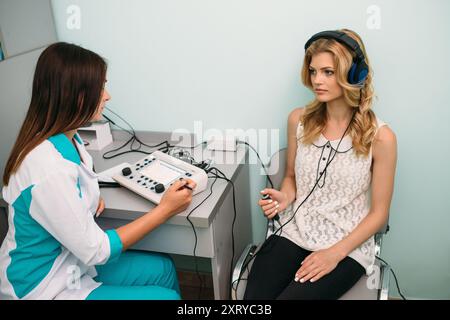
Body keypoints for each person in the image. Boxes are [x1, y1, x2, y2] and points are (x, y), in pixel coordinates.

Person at [0, 42, 196, 300]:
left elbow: (70, 192)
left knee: (163, 269)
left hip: (70, 263)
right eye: (101, 87)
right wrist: (165, 210)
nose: (107, 96)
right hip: (42, 287)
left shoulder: (69, 138)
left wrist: (84, 197)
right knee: (165, 298)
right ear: (76, 95)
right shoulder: (47, 169)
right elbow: (98, 251)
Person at [244, 29, 397, 300]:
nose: (317, 80)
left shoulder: (381, 137)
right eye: (313, 71)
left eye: (328, 72)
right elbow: (290, 176)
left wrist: (334, 254)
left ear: (354, 74)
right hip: (294, 230)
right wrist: (284, 197)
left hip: (346, 245)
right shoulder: (298, 120)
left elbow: (379, 214)